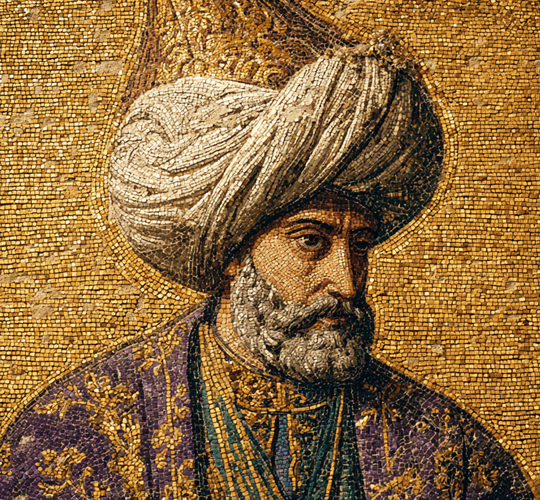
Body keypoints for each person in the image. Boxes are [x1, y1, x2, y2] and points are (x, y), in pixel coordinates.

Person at [0, 47, 533, 500]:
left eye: (360, 246)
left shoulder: (449, 451)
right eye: (311, 241)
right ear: (234, 251)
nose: (347, 283)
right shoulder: (78, 429)